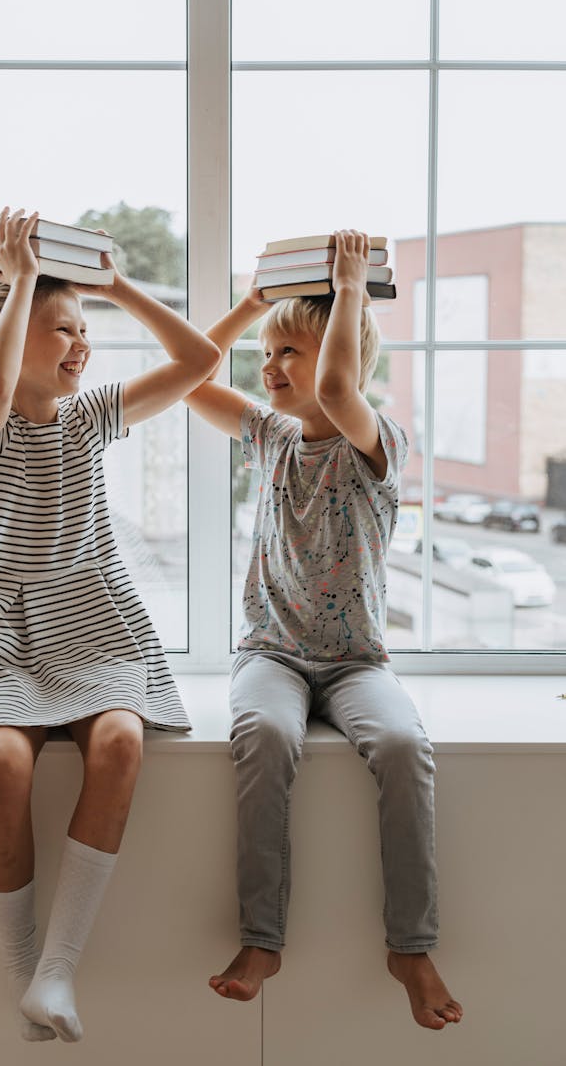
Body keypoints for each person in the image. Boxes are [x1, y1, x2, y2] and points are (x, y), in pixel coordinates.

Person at [0, 207, 220, 1042]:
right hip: (6, 629)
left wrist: (114, 284)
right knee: (3, 770)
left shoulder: (91, 416)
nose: (82, 344)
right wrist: (22, 279)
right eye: (64, 330)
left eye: (84, 329)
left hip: (93, 618)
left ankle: (59, 967)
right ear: (10, 337)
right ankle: (24, 972)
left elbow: (199, 361)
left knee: (122, 743)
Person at [184, 230, 463, 1031]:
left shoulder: (378, 444)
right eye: (268, 352)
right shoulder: (269, 435)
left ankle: (410, 944)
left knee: (407, 746)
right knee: (264, 734)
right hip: (271, 652)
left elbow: (339, 387)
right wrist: (253, 305)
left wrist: (347, 289)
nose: (270, 367)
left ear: (342, 351)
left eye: (289, 352)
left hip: (354, 662)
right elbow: (191, 376)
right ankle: (261, 937)